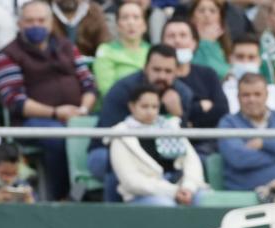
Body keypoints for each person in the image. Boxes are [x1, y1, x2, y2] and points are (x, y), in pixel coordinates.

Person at [0, 0, 97, 200]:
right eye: (30, 21)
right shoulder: (8, 54)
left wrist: (83, 110)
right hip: (31, 123)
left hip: (77, 116)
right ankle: (59, 198)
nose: (36, 25)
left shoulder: (67, 46)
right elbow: (15, 100)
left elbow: (89, 85)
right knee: (58, 139)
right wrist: (56, 112)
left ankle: (86, 194)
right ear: (19, 23)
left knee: (100, 136)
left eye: (41, 20)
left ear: (50, 23)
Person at [87, 44, 193, 202]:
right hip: (109, 150)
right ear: (145, 68)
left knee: (190, 164)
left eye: (168, 71)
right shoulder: (123, 90)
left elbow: (185, 141)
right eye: (156, 70)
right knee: (113, 163)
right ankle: (114, 217)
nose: (162, 76)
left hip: (159, 155)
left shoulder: (182, 93)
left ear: (176, 72)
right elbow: (112, 136)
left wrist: (178, 114)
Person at [110, 84, 209, 206]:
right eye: (144, 106)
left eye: (154, 107)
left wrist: (188, 188)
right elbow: (131, 181)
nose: (150, 111)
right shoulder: (120, 135)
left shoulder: (171, 126)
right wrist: (172, 191)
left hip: (182, 188)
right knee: (165, 206)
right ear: (132, 106)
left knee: (205, 199)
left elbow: (192, 162)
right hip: (143, 195)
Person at [217, 73, 275, 191]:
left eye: (257, 94)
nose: (252, 99)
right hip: (246, 192)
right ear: (238, 97)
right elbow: (239, 158)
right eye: (246, 95)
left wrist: (263, 143)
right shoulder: (228, 123)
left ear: (266, 95)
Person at [222, 34, 275, 114]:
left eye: (251, 57)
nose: (245, 62)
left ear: (259, 61)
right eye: (240, 57)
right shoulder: (222, 93)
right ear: (230, 59)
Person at [93, 2, 150, 98]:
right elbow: (106, 89)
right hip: (116, 105)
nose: (130, 23)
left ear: (144, 25)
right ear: (117, 26)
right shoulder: (105, 51)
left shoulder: (152, 51)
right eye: (125, 18)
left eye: (136, 17)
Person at [189, 0, 231, 79]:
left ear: (220, 18)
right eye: (201, 11)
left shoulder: (225, 46)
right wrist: (206, 42)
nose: (207, 15)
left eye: (212, 11)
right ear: (192, 18)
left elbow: (222, 73)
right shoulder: (185, 43)